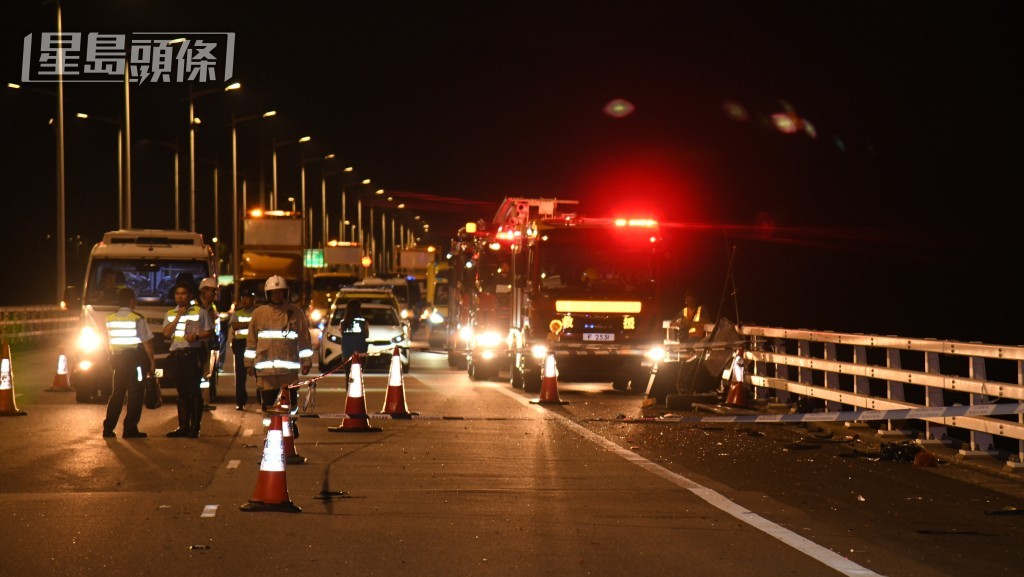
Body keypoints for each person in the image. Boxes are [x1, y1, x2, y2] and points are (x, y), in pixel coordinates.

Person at [245, 275, 313, 416]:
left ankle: (290, 429)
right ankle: (269, 434)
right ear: (268, 294)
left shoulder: (295, 313)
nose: (277, 295)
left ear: (285, 293)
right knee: (268, 408)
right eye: (274, 292)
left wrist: (306, 361)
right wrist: (249, 364)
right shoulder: (259, 314)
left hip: (288, 372)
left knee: (291, 406)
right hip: (266, 373)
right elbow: (251, 341)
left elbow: (304, 339)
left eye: (280, 292)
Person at [102, 288, 156, 439]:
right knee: (135, 394)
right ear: (132, 300)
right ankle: (130, 429)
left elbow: (107, 341)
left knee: (117, 394)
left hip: (118, 360)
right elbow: (146, 342)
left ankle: (108, 428)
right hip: (135, 361)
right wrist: (152, 362)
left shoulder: (109, 318)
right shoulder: (137, 318)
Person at [163, 280, 213, 438]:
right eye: (177, 294)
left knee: (194, 392)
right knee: (182, 393)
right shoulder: (171, 313)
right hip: (177, 356)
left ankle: (194, 428)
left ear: (190, 295)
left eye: (183, 293)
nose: (180, 297)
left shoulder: (199, 312)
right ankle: (183, 426)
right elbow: (166, 333)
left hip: (192, 355)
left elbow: (209, 332)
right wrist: (178, 316)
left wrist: (197, 335)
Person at [229, 289, 258, 410]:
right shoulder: (238, 312)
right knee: (240, 375)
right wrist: (250, 324)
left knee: (259, 373)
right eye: (243, 298)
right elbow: (234, 325)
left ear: (253, 300)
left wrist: (246, 325)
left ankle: (262, 399)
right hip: (241, 345)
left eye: (247, 298)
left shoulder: (258, 312)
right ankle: (240, 401)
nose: (245, 300)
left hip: (256, 344)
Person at [196, 277, 222, 408]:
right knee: (195, 374)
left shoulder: (212, 307)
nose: (214, 294)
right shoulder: (194, 307)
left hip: (207, 345)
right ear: (204, 291)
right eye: (212, 291)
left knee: (206, 374)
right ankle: (194, 400)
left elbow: (214, 326)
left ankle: (204, 401)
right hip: (194, 345)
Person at [339, 299, 369, 384]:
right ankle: (358, 395)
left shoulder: (343, 323)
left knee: (349, 377)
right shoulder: (363, 322)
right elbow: (366, 335)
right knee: (358, 376)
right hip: (361, 352)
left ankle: (349, 395)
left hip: (347, 353)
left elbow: (342, 334)